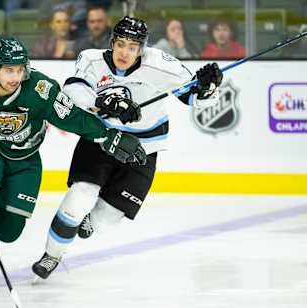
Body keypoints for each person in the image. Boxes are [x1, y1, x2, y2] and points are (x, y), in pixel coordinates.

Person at [0, 36, 147, 288]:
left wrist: (106, 135)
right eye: (8, 70)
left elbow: (72, 118)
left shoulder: (39, 89)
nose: (15, 76)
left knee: (8, 232)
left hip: (25, 160)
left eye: (19, 70)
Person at [31, 16, 223, 279]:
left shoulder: (161, 65)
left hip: (143, 147)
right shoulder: (91, 58)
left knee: (104, 222)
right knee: (80, 196)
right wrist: (103, 102)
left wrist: (208, 89)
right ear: (112, 43)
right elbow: (73, 90)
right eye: (120, 44)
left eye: (132, 47)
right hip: (102, 137)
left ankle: (91, 221)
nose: (125, 52)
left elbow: (194, 98)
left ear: (141, 49)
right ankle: (52, 255)